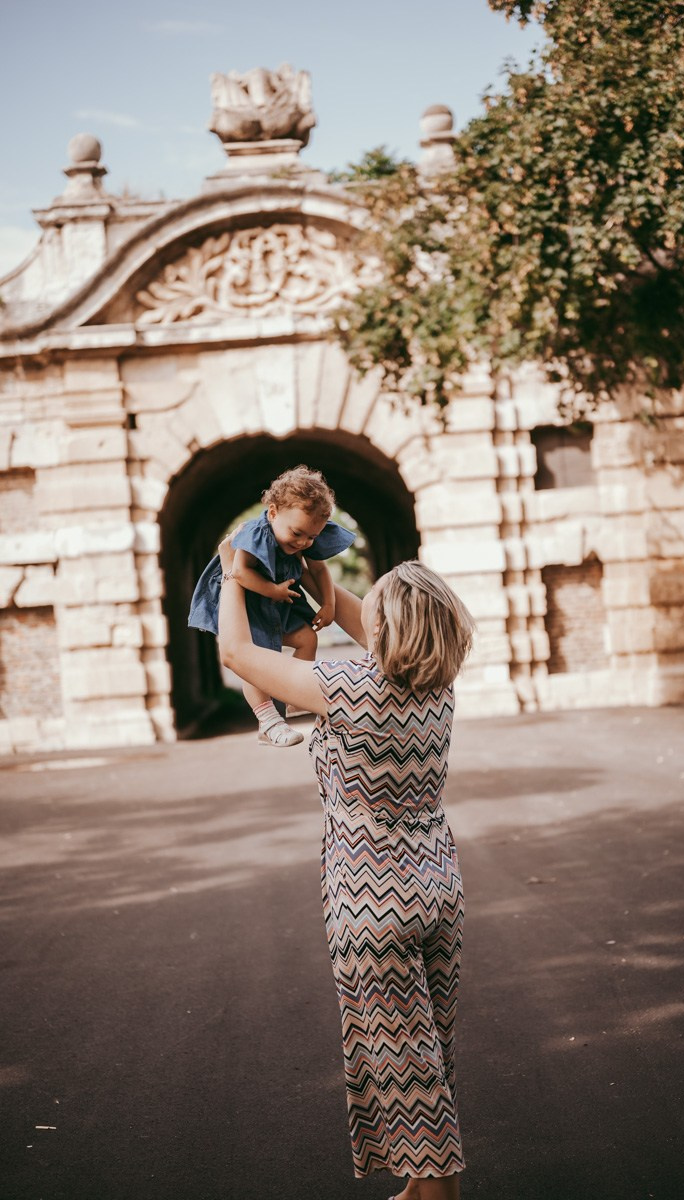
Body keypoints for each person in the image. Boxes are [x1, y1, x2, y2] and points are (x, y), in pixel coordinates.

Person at [217, 528, 475, 1200]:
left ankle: (440, 1196)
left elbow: (236, 653)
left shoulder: (348, 688)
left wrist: (228, 575)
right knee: (429, 1050)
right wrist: (306, 574)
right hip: (437, 885)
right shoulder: (438, 685)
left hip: (370, 897)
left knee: (401, 1057)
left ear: (392, 628)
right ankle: (421, 1189)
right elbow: (380, 623)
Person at [188, 466, 354, 746]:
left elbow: (319, 571)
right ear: (274, 512)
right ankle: (267, 720)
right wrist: (271, 589)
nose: (304, 542)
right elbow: (239, 571)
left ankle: (295, 694)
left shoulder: (305, 534)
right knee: (252, 658)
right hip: (250, 605)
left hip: (278, 607)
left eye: (312, 537)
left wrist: (329, 603)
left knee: (306, 638)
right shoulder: (257, 533)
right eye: (297, 533)